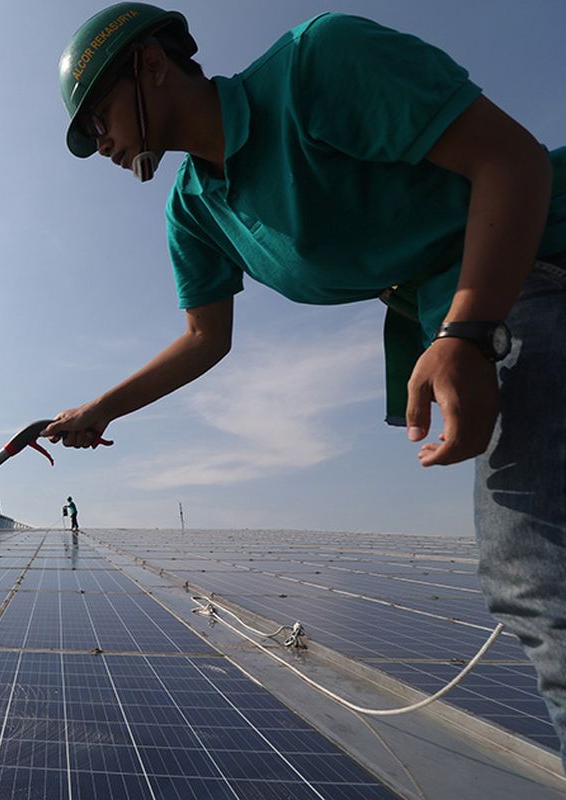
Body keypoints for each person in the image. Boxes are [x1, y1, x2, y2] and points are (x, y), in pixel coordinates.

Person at [43, 3, 566, 765]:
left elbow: (513, 162)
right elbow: (203, 339)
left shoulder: (319, 64)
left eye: (98, 120)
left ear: (152, 65)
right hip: (473, 311)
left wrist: (468, 332)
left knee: (536, 575)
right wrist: (99, 409)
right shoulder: (195, 209)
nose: (103, 146)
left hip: (538, 267)